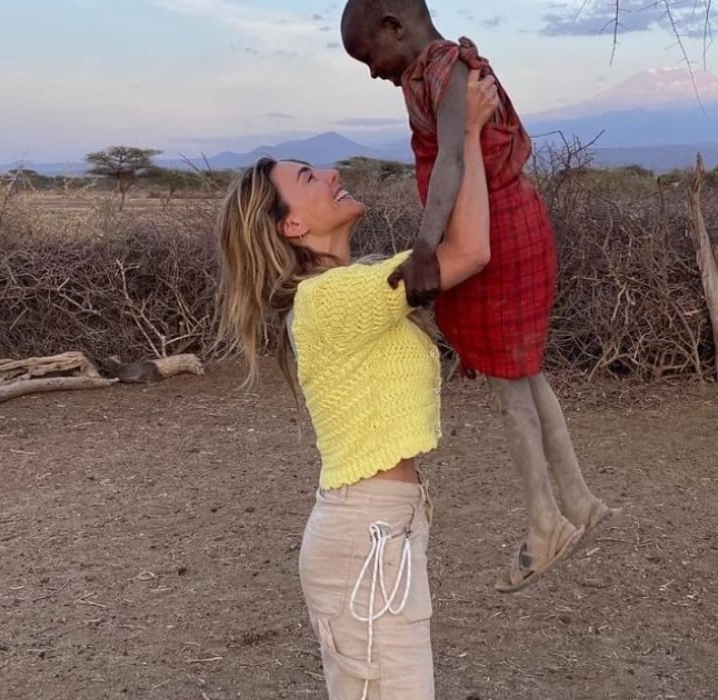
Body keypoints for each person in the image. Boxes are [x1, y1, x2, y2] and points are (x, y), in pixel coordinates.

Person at [216, 69, 498, 700]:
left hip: (382, 530)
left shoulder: (357, 287)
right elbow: (470, 249)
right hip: (366, 538)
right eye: (309, 179)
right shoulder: (334, 300)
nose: (332, 174)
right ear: (291, 227)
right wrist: (469, 133)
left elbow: (450, 247)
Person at [340, 0, 617, 593]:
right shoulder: (433, 73)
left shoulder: (448, 74)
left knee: (512, 386)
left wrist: (424, 248)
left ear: (394, 26)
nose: (370, 71)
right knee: (524, 375)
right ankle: (579, 500)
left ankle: (546, 521)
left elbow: (453, 165)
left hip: (497, 238)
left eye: (369, 55)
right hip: (505, 226)